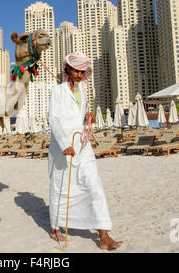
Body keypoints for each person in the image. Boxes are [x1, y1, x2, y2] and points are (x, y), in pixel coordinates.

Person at [48, 51, 123, 251]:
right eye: (76, 71)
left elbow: (76, 118)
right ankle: (56, 227)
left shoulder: (83, 90)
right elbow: (54, 119)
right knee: (61, 188)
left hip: (82, 145)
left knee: (94, 185)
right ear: (68, 70)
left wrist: (87, 118)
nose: (80, 75)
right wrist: (64, 143)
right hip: (62, 148)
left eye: (82, 71)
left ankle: (104, 236)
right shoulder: (58, 91)